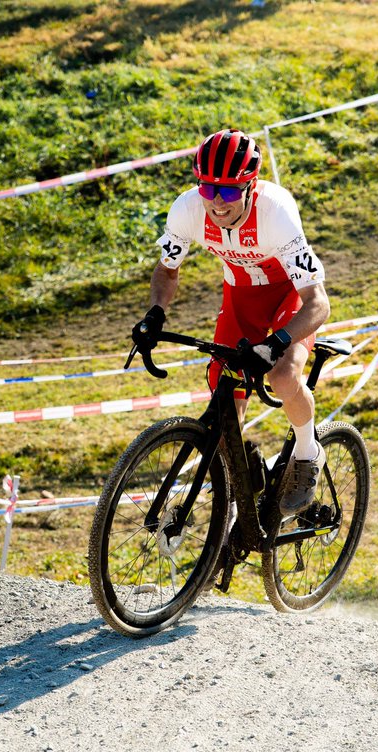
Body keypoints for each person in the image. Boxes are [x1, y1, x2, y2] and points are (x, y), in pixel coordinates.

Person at [131, 128, 330, 515]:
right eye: (208, 188)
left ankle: (308, 453)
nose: (217, 202)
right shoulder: (187, 209)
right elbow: (167, 271)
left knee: (283, 375)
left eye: (228, 191)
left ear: (250, 186)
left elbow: (318, 304)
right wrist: (155, 313)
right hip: (241, 296)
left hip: (289, 295)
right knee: (224, 398)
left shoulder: (276, 212)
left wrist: (276, 343)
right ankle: (239, 500)